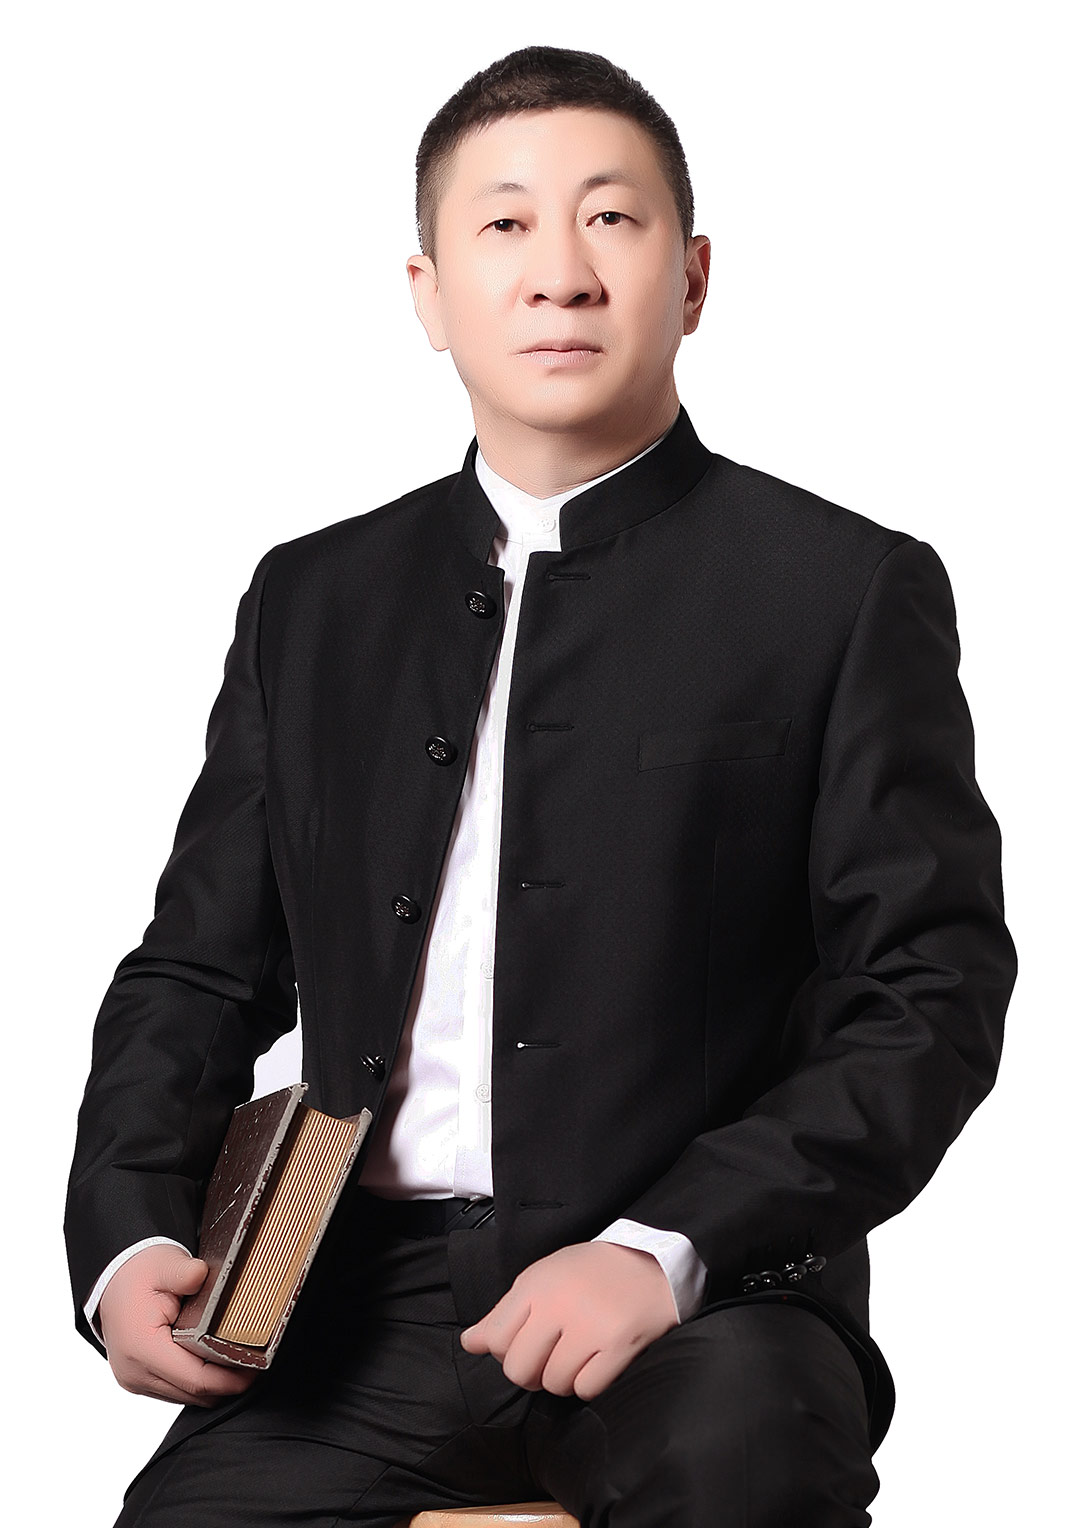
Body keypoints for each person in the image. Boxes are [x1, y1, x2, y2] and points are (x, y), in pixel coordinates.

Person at [64, 43, 1018, 1528]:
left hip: (710, 1304)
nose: (560, 275)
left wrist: (666, 1247)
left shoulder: (840, 590)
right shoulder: (313, 599)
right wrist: (127, 1240)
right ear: (429, 293)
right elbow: (197, 969)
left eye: (611, 220)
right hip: (353, 1308)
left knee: (742, 1470)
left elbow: (928, 990)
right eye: (504, 224)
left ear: (692, 278)